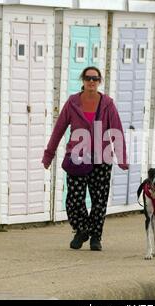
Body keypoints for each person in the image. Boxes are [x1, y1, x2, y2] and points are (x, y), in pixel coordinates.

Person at [42, 66, 128, 251]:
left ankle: (96, 237)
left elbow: (117, 131)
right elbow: (59, 130)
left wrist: (122, 158)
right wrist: (49, 155)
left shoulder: (107, 104)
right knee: (74, 199)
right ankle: (81, 229)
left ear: (99, 82)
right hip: (77, 157)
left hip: (101, 159)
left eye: (95, 79)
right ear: (82, 80)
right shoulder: (72, 103)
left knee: (99, 200)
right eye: (88, 78)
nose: (91, 81)